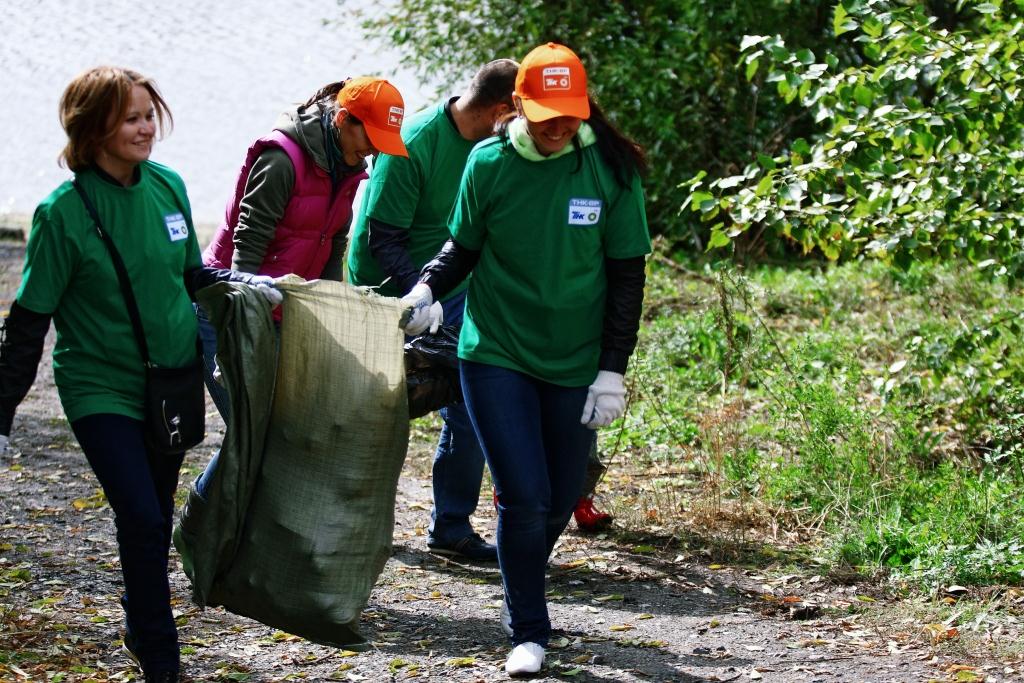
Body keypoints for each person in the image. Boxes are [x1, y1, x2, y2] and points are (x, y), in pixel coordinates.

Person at [0, 66, 278, 683]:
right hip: (100, 387)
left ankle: (138, 619)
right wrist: (3, 411)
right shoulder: (62, 213)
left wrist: (253, 288)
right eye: (131, 117)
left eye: (149, 114)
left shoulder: (168, 187)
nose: (146, 127)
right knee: (144, 516)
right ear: (92, 126)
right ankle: (160, 653)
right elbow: (28, 322)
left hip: (170, 383)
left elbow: (191, 277)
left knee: (153, 512)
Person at [400, 43, 651, 676]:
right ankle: (528, 630)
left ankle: (520, 585)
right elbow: (464, 245)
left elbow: (627, 276)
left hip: (575, 356)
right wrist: (428, 286)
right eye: (543, 117)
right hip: (497, 350)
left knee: (563, 493)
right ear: (517, 106)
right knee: (524, 496)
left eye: (568, 115)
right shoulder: (487, 163)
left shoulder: (610, 169)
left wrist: (612, 368)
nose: (557, 128)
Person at [191, 76, 409, 495]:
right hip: (227, 307)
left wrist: (330, 319)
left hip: (283, 311)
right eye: (371, 136)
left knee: (276, 437)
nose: (374, 149)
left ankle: (245, 540)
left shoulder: (346, 167)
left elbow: (333, 245)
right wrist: (236, 333)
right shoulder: (282, 158)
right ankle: (200, 522)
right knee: (254, 436)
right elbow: (247, 245)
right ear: (343, 118)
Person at [347, 59, 519, 562]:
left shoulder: (499, 147)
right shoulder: (417, 141)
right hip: (385, 287)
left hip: (456, 286)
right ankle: (354, 520)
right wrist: (420, 295)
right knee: (376, 410)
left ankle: (450, 526)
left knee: (472, 396)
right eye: (521, 111)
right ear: (500, 110)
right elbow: (383, 237)